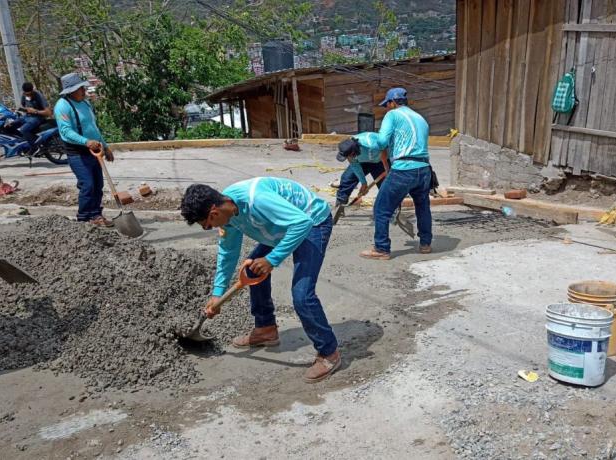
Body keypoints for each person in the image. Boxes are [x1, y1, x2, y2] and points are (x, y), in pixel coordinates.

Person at [180, 178, 341, 383]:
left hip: (311, 222)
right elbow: (228, 252)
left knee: (302, 295)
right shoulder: (229, 210)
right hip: (282, 225)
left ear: (214, 212)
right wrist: (217, 293)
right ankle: (266, 329)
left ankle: (329, 353)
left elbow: (302, 223)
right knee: (253, 271)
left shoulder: (258, 200)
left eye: (207, 225)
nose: (209, 228)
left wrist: (271, 259)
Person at [358, 87, 432, 260]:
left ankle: (381, 248)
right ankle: (425, 244)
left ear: (392, 102)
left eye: (387, 104)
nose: (387, 108)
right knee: (422, 206)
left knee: (381, 208)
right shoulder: (421, 118)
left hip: (404, 169)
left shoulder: (392, 115)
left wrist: (368, 140)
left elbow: (382, 141)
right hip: (424, 168)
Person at [54, 73, 113, 227]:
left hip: (94, 150)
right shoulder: (63, 106)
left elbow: (93, 128)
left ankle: (96, 214)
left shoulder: (85, 104)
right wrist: (86, 142)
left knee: (98, 184)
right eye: (80, 88)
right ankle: (84, 217)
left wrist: (105, 146)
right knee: (87, 185)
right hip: (78, 153)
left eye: (83, 87)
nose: (83, 91)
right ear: (70, 91)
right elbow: (66, 131)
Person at [334, 132, 388, 208]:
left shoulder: (371, 144)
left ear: (353, 152)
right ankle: (340, 204)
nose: (348, 159)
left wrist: (387, 168)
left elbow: (385, 149)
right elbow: (355, 166)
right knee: (347, 178)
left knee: (386, 186)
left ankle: (391, 210)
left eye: (348, 156)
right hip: (363, 162)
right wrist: (363, 183)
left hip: (381, 161)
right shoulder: (349, 150)